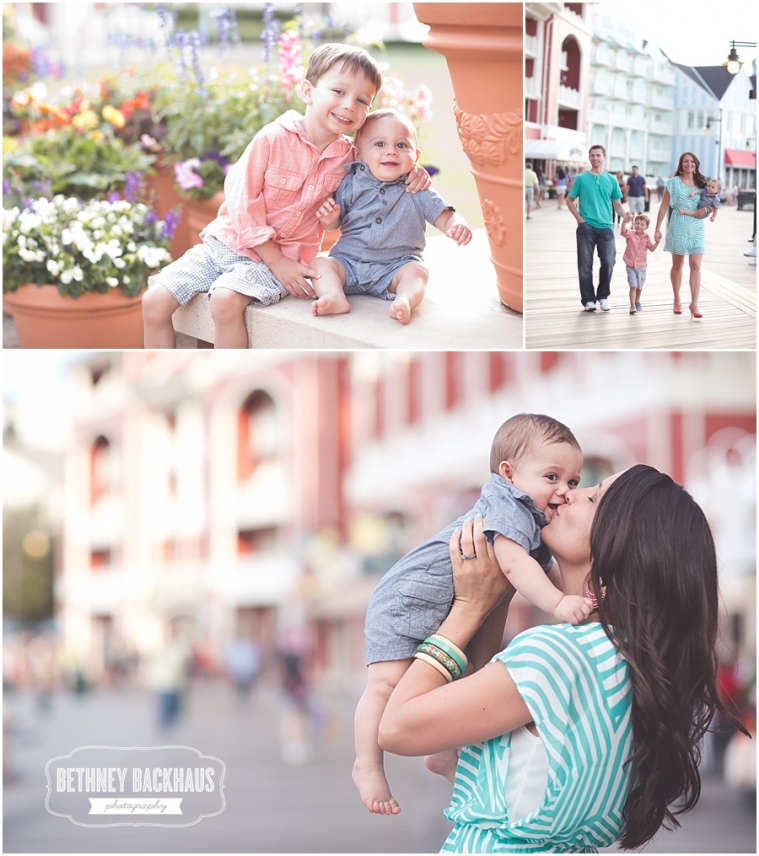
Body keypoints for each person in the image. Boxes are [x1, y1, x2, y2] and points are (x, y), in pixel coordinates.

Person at [378, 465, 749, 852]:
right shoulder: (623, 664)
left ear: (622, 544)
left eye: (592, 497)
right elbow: (523, 790)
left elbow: (397, 728)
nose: (569, 492)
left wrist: (469, 608)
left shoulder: (555, 654)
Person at [353, 414, 591, 815]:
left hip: (444, 602)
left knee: (455, 683)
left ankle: (444, 754)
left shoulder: (532, 517)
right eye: (552, 477)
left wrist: (570, 593)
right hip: (405, 599)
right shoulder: (508, 504)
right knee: (385, 684)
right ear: (508, 473)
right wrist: (558, 603)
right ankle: (367, 764)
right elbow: (516, 568)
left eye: (573, 481)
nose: (564, 491)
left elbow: (534, 572)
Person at [142, 44, 429, 349]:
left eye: (362, 100)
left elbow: (387, 160)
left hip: (285, 260)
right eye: (338, 91)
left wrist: (416, 172)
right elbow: (241, 200)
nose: (349, 105)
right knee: (154, 301)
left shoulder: (351, 156)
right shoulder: (272, 138)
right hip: (228, 244)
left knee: (224, 302)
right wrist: (275, 259)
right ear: (308, 91)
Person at [309, 109, 472, 324]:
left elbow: (445, 217)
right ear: (359, 154)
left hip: (395, 268)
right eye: (380, 144)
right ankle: (334, 295)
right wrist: (330, 219)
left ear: (417, 156)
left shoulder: (417, 189)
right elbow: (333, 226)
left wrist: (457, 225)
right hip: (348, 263)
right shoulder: (351, 183)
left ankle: (404, 299)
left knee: (417, 272)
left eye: (402, 145)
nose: (392, 152)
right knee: (320, 264)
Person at [567, 144, 631, 312]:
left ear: (604, 157)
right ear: (589, 158)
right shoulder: (581, 179)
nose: (595, 158)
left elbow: (617, 204)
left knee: (609, 261)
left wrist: (624, 215)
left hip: (606, 228)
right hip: (586, 227)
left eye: (598, 155)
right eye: (592, 155)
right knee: (585, 264)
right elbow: (569, 200)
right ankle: (588, 300)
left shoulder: (611, 180)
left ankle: (603, 296)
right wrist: (580, 220)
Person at [654, 152, 707, 319]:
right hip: (678, 225)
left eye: (692, 161)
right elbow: (663, 207)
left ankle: (695, 303)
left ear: (696, 164)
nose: (689, 164)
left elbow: (712, 203)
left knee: (696, 265)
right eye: (686, 161)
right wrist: (657, 228)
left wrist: (707, 211)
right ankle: (677, 298)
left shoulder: (703, 183)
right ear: (681, 164)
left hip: (697, 227)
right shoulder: (673, 183)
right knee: (678, 265)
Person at [621, 214, 660, 314]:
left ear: (647, 227)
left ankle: (637, 300)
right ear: (634, 224)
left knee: (639, 286)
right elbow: (623, 231)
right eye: (637, 223)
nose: (639, 226)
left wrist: (657, 242)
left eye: (642, 224)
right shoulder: (631, 234)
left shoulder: (647, 237)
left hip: (642, 266)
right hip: (630, 265)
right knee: (633, 285)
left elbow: (651, 249)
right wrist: (624, 222)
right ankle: (632, 305)